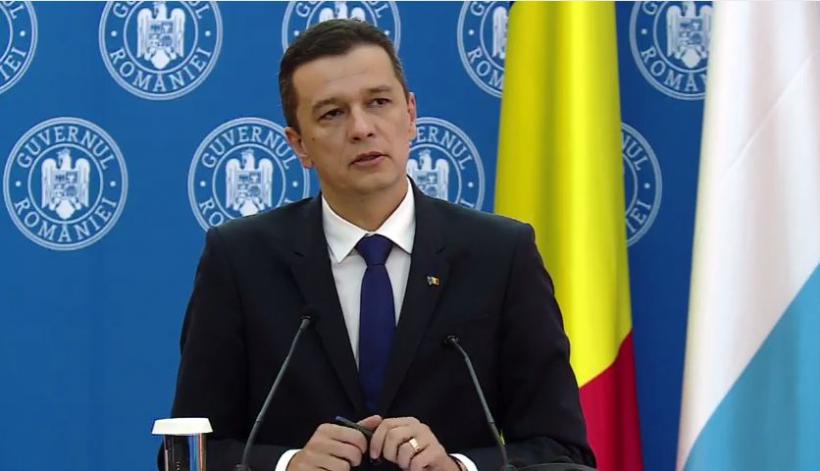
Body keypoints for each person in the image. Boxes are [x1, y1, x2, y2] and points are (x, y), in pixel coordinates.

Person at [168, 19, 595, 471]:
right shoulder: (240, 260)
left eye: (378, 102)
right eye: (332, 113)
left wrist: (457, 466)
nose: (361, 128)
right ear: (299, 145)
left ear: (410, 115)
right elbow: (190, 451)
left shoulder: (500, 254)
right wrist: (288, 464)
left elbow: (562, 453)